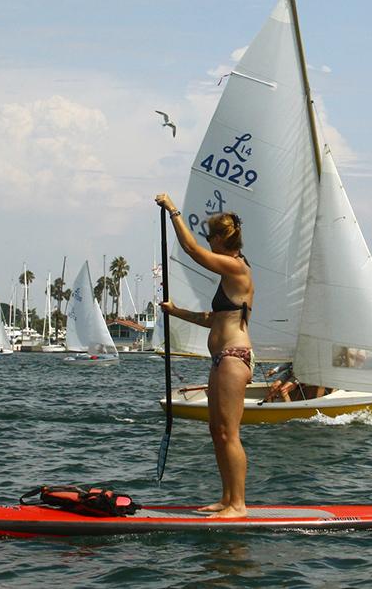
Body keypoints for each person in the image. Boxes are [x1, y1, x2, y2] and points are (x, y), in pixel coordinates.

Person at [155, 193, 254, 519]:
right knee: (217, 431)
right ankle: (227, 499)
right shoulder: (229, 277)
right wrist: (176, 312)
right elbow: (213, 319)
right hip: (221, 358)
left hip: (233, 357)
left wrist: (173, 211)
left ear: (222, 238)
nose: (207, 241)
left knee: (229, 433)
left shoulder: (236, 267)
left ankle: (238, 505)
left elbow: (191, 250)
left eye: (211, 236)